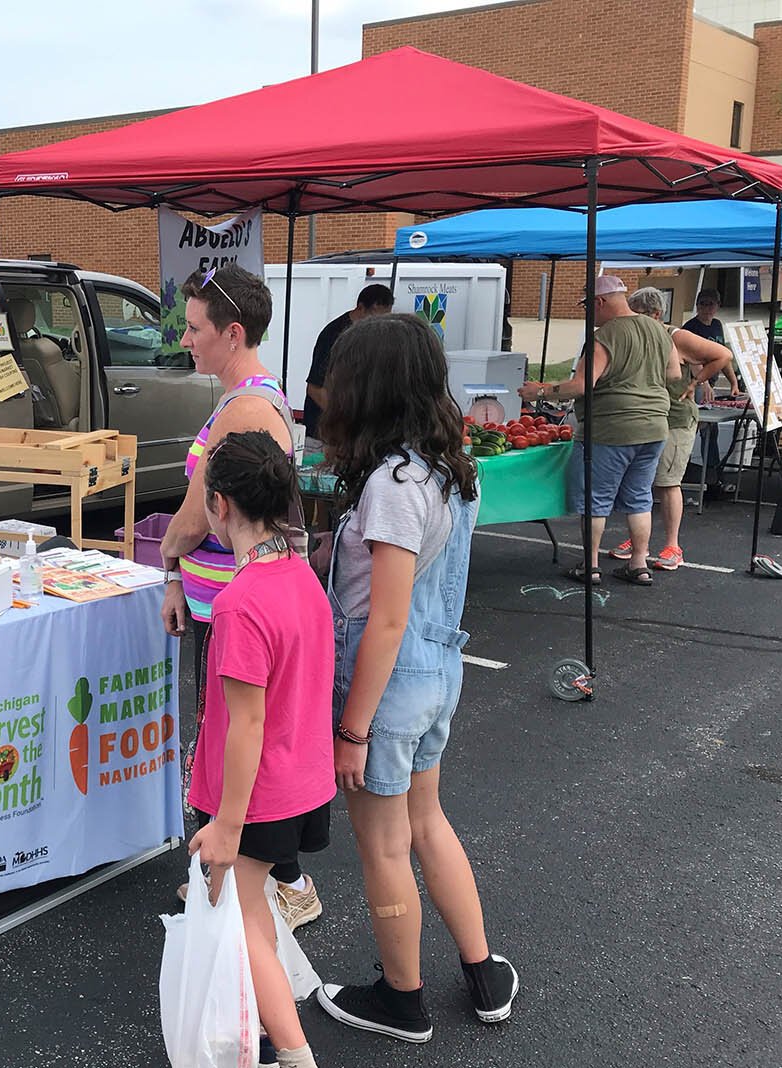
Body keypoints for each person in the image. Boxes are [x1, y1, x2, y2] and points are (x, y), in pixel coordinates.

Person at [312, 314, 516, 1044]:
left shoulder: (394, 483)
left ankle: (403, 1001)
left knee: (385, 846)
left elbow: (385, 622)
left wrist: (350, 730)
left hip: (388, 688)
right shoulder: (445, 468)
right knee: (428, 824)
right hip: (438, 673)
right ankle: (484, 971)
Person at [157, 263, 318, 930]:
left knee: (234, 737)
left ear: (232, 332)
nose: (186, 340)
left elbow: (196, 517)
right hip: (233, 601)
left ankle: (246, 873)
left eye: (195, 329)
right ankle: (275, 877)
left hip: (234, 609)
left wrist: (167, 556)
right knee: (246, 733)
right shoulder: (250, 398)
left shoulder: (244, 409)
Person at [187, 430, 335, 1068]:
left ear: (219, 505)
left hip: (255, 798)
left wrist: (226, 824)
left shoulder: (240, 603)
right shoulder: (303, 575)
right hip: (302, 782)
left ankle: (296, 1053)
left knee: (248, 927)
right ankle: (271, 1029)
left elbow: (244, 726)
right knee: (260, 918)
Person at [518, 275, 676, 587]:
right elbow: (672, 372)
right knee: (640, 496)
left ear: (599, 303)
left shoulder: (606, 335)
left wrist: (539, 391)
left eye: (587, 306)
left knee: (596, 499)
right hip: (655, 425)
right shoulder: (659, 329)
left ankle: (590, 566)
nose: (587, 313)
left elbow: (581, 385)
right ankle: (639, 563)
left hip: (611, 427)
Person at [608, 288, 734, 572]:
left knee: (668, 482)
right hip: (648, 418)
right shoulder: (635, 336)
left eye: (638, 314)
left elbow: (722, 355)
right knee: (640, 483)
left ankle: (673, 546)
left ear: (655, 314)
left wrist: (697, 381)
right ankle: (639, 539)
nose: (632, 319)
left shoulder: (675, 335)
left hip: (676, 417)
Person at [304, 283, 393, 436]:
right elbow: (315, 389)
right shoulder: (334, 335)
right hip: (324, 429)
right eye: (375, 318)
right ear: (360, 307)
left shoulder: (373, 336)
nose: (380, 325)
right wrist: (346, 423)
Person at [679, 288, 742, 496]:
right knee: (696, 425)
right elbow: (690, 358)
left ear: (717, 306)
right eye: (702, 304)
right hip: (694, 382)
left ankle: (712, 473)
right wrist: (702, 382)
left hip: (708, 382)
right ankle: (685, 469)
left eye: (710, 304)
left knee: (709, 428)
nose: (706, 308)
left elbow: (723, 357)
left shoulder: (716, 326)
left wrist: (733, 382)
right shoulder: (691, 328)